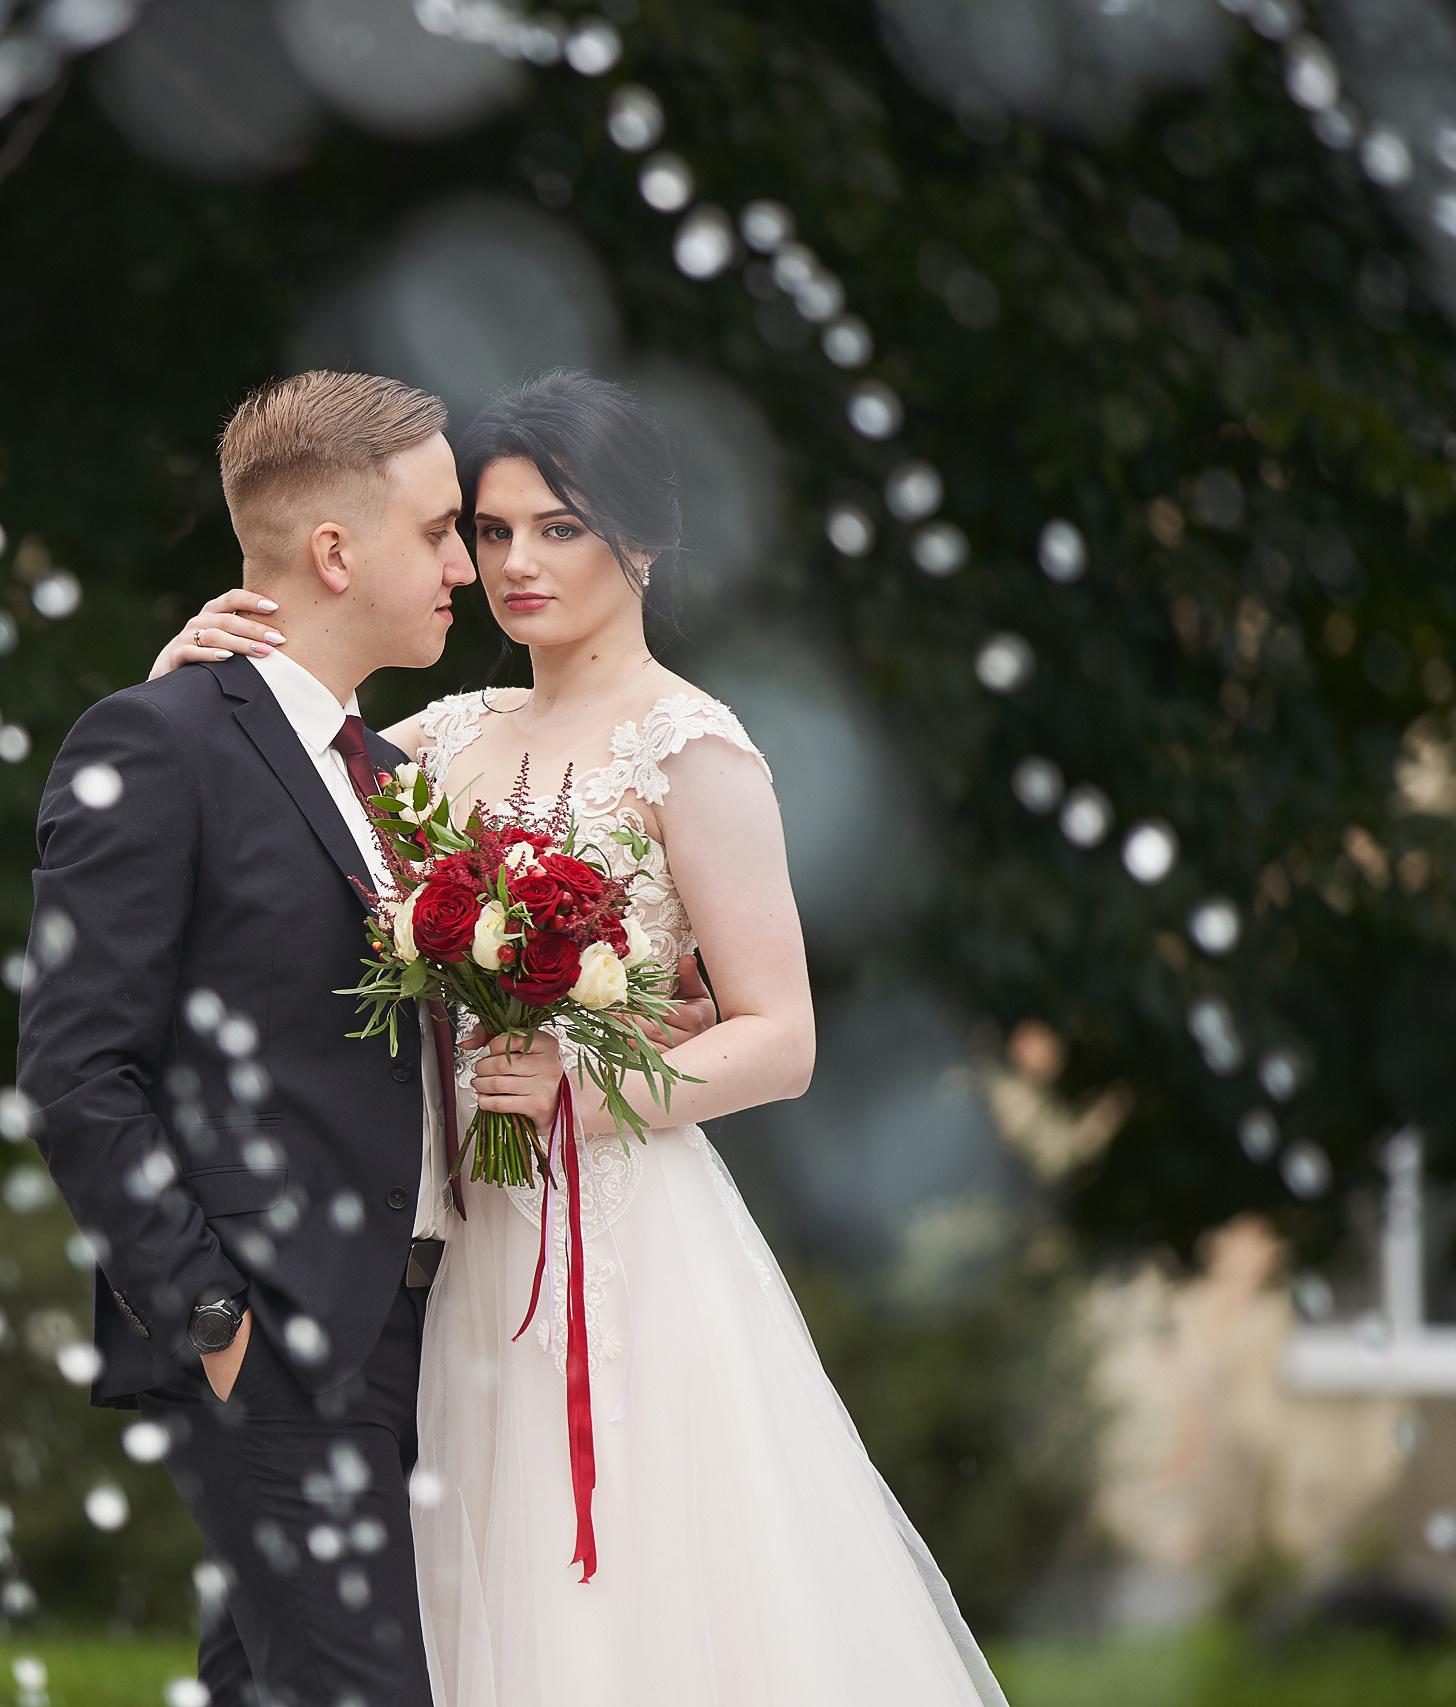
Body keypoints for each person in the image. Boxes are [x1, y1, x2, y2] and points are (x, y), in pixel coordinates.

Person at [149, 369, 1009, 1706]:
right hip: (443, 1247)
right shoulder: (434, 743)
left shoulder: (693, 749)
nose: (514, 563)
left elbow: (780, 1038)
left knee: (622, 1609)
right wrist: (186, 692)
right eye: (489, 532)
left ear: (644, 542)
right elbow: (281, 847)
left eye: (559, 528)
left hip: (619, 1238)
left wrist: (583, 1091)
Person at [16, 370, 477, 1707]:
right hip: (275, 1337)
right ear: (334, 551)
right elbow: (76, 1070)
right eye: (439, 529)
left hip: (414, 1340)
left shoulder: (388, 781)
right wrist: (215, 1317)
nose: (467, 563)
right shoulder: (156, 743)